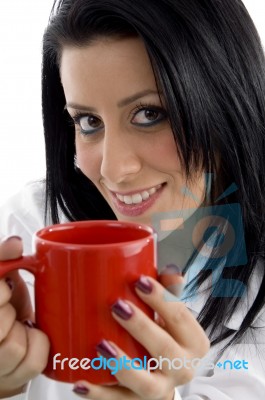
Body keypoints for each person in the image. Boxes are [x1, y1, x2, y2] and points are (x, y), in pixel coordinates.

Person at [0, 0, 265, 399]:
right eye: (88, 122)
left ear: (227, 104)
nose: (112, 169)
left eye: (149, 114)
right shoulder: (34, 219)